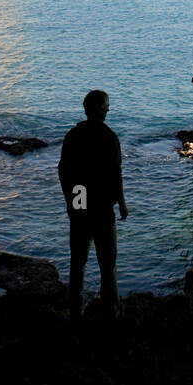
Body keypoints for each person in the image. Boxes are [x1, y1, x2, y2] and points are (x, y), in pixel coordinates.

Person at [58, 90, 128, 321]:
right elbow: (115, 174)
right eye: (106, 106)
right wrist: (122, 203)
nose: (108, 109)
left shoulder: (73, 135)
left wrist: (72, 200)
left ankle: (75, 311)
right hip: (101, 208)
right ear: (100, 110)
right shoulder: (109, 137)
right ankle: (112, 310)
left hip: (79, 207)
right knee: (108, 262)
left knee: (78, 261)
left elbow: (64, 171)